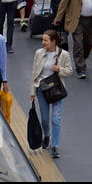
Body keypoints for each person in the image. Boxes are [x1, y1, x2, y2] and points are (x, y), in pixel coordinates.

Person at [31, 28, 73, 159]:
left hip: (56, 91)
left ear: (53, 41)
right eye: (43, 40)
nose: (43, 42)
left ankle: (55, 145)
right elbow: (34, 73)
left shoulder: (63, 55)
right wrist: (32, 92)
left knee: (55, 119)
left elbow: (70, 71)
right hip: (41, 90)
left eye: (45, 40)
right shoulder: (39, 53)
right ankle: (46, 135)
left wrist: (60, 69)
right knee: (44, 118)